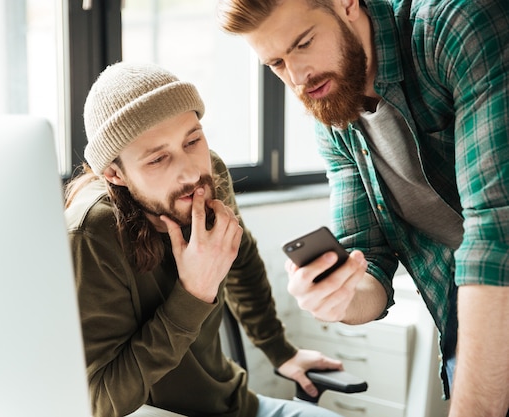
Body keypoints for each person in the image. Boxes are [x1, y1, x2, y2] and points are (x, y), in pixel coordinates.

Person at [216, 0, 509, 415]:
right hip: (475, 309)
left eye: (304, 43)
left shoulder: (452, 26)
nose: (298, 78)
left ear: (347, 4)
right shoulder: (334, 113)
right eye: (277, 64)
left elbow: (496, 234)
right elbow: (368, 259)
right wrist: (338, 297)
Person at [64, 61, 346, 417]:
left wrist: (281, 351)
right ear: (115, 174)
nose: (191, 171)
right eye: (158, 159)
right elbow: (101, 401)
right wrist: (193, 294)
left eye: (192, 140)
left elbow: (241, 258)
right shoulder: (93, 232)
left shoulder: (208, 177)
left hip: (236, 404)